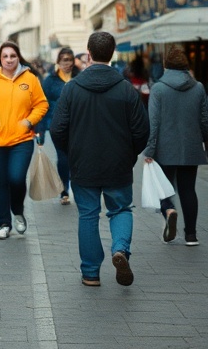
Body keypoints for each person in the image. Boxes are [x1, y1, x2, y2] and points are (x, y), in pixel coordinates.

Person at [50, 31, 149, 287]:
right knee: (121, 209)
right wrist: (129, 154)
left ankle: (91, 273)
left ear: (88, 53)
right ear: (112, 53)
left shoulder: (72, 89)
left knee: (88, 214)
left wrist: (71, 152)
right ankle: (120, 249)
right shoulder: (126, 89)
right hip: (118, 163)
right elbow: (142, 130)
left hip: (83, 163)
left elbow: (57, 129)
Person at [0, 41, 48, 240]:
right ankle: (4, 224)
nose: (9, 59)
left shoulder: (30, 78)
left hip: (21, 140)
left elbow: (41, 104)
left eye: (13, 56)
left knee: (16, 178)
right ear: (0, 59)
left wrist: (29, 121)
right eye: (5, 56)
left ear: (18, 57)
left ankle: (18, 211)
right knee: (1, 182)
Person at [143, 46, 208, 246]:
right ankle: (191, 235)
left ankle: (169, 210)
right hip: (191, 147)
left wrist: (149, 150)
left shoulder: (158, 89)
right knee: (188, 190)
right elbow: (205, 120)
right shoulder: (198, 88)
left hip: (165, 148)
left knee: (163, 189)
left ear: (166, 66)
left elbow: (154, 123)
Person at [36, 47, 79, 205]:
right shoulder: (50, 81)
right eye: (64, 60)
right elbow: (42, 105)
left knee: (77, 157)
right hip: (57, 125)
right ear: (58, 62)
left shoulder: (80, 78)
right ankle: (64, 190)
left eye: (70, 60)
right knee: (63, 157)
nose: (67, 63)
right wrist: (40, 129)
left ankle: (77, 187)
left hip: (77, 124)